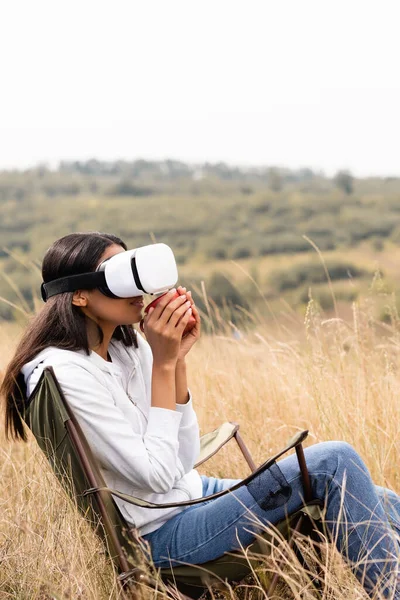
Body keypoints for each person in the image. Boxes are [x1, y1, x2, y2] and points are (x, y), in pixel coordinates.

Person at [1, 231, 399, 598]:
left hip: (193, 497)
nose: (138, 289)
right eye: (119, 274)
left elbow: (183, 457)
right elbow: (155, 475)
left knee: (383, 499)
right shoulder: (67, 375)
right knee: (335, 461)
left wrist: (177, 361)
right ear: (78, 296)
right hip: (163, 534)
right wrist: (162, 364)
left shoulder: (127, 348)